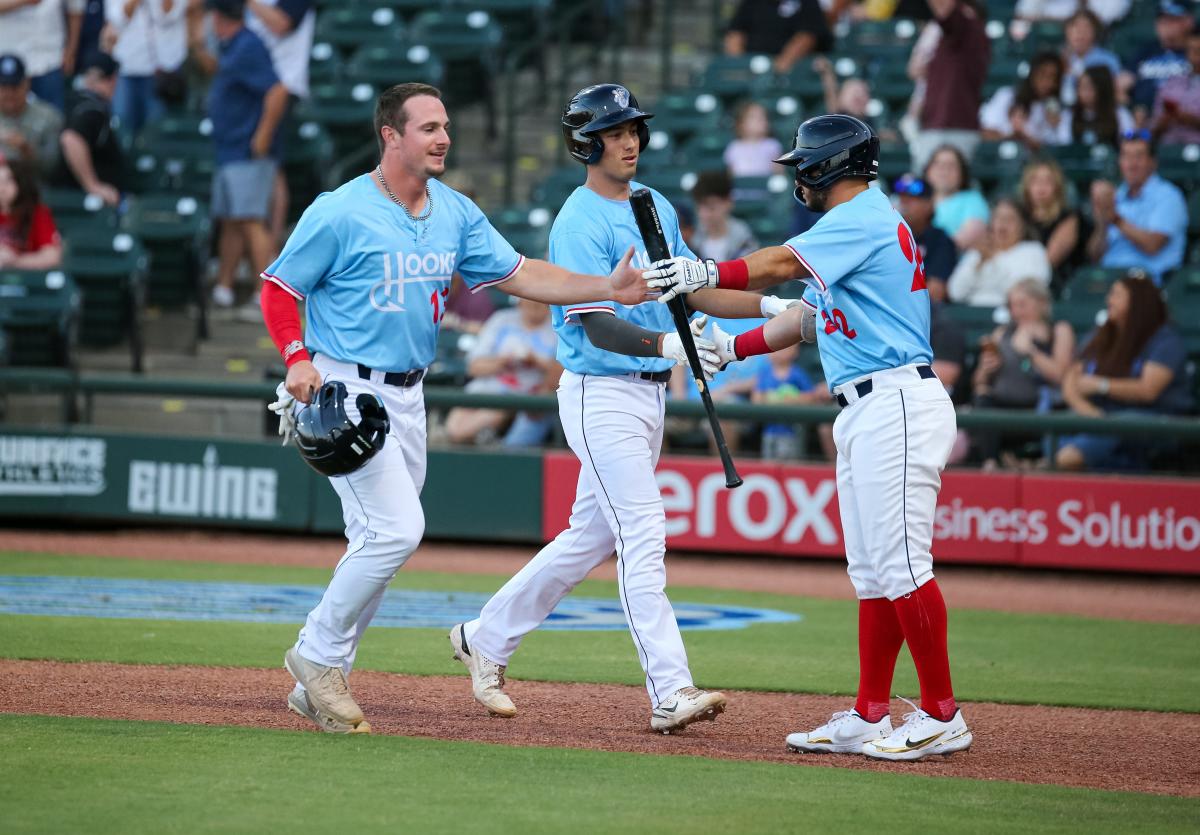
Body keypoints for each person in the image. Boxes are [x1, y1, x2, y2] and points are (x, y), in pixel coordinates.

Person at [262, 82, 667, 735]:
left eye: (445, 124)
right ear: (390, 136)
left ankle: (322, 676)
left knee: (378, 541)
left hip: (410, 391)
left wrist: (605, 287)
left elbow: (523, 274)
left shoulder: (452, 211)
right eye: (427, 127)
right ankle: (316, 656)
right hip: (346, 384)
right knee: (396, 531)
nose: (443, 136)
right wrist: (295, 355)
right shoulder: (340, 211)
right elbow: (280, 287)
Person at [450, 83, 799, 734]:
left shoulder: (652, 204)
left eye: (633, 128)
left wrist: (773, 307)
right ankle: (670, 688)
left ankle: (483, 636)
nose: (629, 139)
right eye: (615, 131)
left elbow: (693, 290)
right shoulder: (577, 219)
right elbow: (597, 326)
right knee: (643, 530)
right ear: (588, 141)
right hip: (598, 391)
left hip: (646, 393)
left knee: (590, 536)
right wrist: (669, 342)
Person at [646, 114, 973, 761]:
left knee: (904, 564)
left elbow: (774, 265)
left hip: (896, 399)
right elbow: (806, 318)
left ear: (829, 166)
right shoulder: (862, 225)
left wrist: (703, 271)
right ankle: (869, 713)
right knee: (874, 572)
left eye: (804, 163)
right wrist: (729, 350)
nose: (798, 175)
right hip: (868, 403)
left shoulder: (860, 216)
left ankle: (943, 713)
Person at [190, 0, 288, 309]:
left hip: (246, 149)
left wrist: (262, 135)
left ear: (217, 17)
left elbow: (278, 91)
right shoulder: (232, 45)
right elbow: (222, 72)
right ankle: (224, 287)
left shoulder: (248, 45)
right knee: (232, 220)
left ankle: (268, 298)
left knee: (249, 220)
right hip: (230, 149)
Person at [1057, 273, 1192, 471]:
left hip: (1153, 418)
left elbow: (1148, 390)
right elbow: (1071, 377)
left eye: (1116, 295)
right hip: (1103, 416)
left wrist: (1100, 385)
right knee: (1057, 423)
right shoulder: (1102, 333)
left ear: (1138, 302)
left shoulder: (1164, 340)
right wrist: (1086, 410)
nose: (1108, 300)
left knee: (1076, 453)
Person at [971, 278, 1075, 468]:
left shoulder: (1059, 330)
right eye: (1012, 306)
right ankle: (990, 464)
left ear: (1042, 303)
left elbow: (1062, 377)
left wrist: (1031, 352)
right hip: (1002, 410)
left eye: (1022, 305)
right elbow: (979, 382)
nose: (1016, 312)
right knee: (982, 397)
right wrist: (985, 369)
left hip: (1041, 410)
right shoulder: (1001, 333)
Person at [444, 298, 560, 447]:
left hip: (525, 398)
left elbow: (562, 376)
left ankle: (489, 444)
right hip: (485, 390)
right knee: (454, 428)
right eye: (529, 302)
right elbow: (474, 367)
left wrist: (537, 362)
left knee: (467, 431)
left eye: (539, 303)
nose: (534, 306)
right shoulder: (502, 319)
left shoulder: (557, 327)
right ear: (519, 302)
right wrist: (503, 361)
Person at [1086, 131, 1188, 284]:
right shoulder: (1116, 196)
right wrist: (1102, 224)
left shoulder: (1169, 196)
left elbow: (1152, 245)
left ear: (1153, 162)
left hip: (1146, 283)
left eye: (1139, 157)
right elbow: (1094, 256)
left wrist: (1115, 219)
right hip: (1108, 280)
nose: (1131, 164)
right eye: (1126, 156)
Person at [909, 0, 990, 171]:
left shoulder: (967, 25)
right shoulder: (951, 40)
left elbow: (946, 11)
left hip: (952, 126)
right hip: (941, 124)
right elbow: (913, 70)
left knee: (946, 187)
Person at [947, 197, 1052, 307]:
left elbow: (1028, 293)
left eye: (1010, 219)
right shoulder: (978, 253)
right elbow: (955, 293)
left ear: (1023, 226)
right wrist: (979, 264)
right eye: (998, 218)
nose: (1003, 224)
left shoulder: (1034, 251)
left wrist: (993, 263)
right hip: (972, 317)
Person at [49, 52, 124, 206]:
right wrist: (92, 185)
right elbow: (71, 139)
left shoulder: (75, 99)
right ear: (113, 80)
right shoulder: (92, 108)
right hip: (82, 201)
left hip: (70, 195)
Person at [104, 0, 188, 136]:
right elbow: (117, 18)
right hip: (127, 66)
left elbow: (170, 14)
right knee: (123, 126)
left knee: (157, 129)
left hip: (161, 70)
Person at [0, 0, 84, 111]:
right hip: (7, 62)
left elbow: (75, 10)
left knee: (52, 121)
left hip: (49, 61)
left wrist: (71, 52)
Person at [752, 342, 830, 460]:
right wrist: (772, 399)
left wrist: (792, 399)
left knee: (791, 461)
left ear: (795, 351)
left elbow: (811, 397)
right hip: (770, 431)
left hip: (793, 431)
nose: (778, 352)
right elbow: (756, 399)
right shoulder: (765, 373)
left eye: (784, 348)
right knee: (768, 461)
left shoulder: (797, 373)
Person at [1017, 159, 1084, 294]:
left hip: (1052, 283)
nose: (1041, 187)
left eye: (1047, 182)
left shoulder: (1068, 217)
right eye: (1035, 181)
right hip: (1015, 278)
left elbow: (1049, 261)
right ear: (1026, 186)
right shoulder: (1018, 216)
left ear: (1057, 187)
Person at [979, 50, 1066, 150]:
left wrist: (1026, 138)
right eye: (1042, 74)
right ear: (1032, 74)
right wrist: (1013, 136)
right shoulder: (1006, 96)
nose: (1047, 82)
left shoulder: (1056, 109)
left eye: (1053, 77)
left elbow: (1056, 148)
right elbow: (985, 133)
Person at [1125, 1, 1194, 124]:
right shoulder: (1144, 52)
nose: (1166, 25)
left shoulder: (1194, 53)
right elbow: (1122, 84)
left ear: (1188, 22)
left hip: (1184, 119)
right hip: (1144, 119)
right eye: (1162, 20)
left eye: (1172, 20)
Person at [892, 173, 957, 302]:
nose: (904, 202)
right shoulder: (890, 236)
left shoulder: (939, 239)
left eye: (912, 199)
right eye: (902, 197)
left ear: (928, 205)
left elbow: (935, 291)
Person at [723, 0, 833, 73]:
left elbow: (807, 37)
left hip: (790, 70)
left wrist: (777, 69)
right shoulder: (752, 2)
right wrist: (740, 66)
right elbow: (735, 35)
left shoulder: (806, 3)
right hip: (752, 66)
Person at [0, 55, 63, 176]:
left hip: (34, 189)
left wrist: (26, 150)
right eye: (3, 87)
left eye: (14, 87)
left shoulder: (48, 116)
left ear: (26, 84)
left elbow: (53, 169)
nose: (9, 93)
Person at [0, 154, 62, 269]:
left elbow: (52, 257)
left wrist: (14, 261)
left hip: (26, 282)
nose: (1, 187)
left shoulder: (38, 212)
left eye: (8, 181)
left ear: (21, 183)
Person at [923, 143, 988, 250]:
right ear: (928, 170)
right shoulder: (918, 200)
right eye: (939, 164)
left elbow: (968, 236)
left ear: (962, 173)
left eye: (951, 166)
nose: (944, 171)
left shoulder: (973, 200)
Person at [689, 170, 758, 262]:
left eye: (711, 207)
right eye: (699, 208)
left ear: (728, 202)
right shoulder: (692, 240)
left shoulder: (743, 240)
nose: (704, 215)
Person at [1058, 65, 1134, 148]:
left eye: (1088, 87)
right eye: (1080, 87)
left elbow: (1129, 139)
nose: (1082, 92)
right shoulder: (1068, 115)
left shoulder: (1121, 114)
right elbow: (1063, 144)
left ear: (1101, 89)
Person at [1060, 8, 1122, 106]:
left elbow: (1116, 95)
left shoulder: (1107, 60)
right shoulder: (1061, 59)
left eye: (1086, 27)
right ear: (1067, 31)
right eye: (1075, 27)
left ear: (1095, 32)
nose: (1080, 32)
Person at [1152, 30, 1200, 145]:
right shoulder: (1172, 81)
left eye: (1198, 51)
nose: (1194, 55)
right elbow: (1154, 126)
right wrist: (1165, 119)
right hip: (1169, 146)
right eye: (1190, 50)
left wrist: (1188, 118)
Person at [723, 100, 782, 178]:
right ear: (741, 123)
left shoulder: (772, 145)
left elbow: (779, 175)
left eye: (763, 117)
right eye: (754, 117)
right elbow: (731, 177)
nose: (761, 120)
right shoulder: (734, 147)